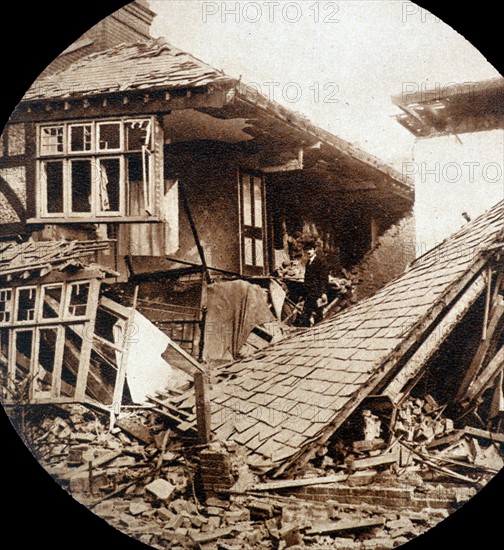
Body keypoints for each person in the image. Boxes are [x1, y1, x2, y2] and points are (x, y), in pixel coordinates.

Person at [302, 238, 329, 326]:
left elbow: (324, 279)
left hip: (317, 293)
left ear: (314, 250)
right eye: (306, 250)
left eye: (310, 249)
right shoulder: (308, 263)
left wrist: (323, 293)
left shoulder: (320, 262)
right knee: (306, 315)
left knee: (318, 315)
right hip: (309, 294)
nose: (308, 251)